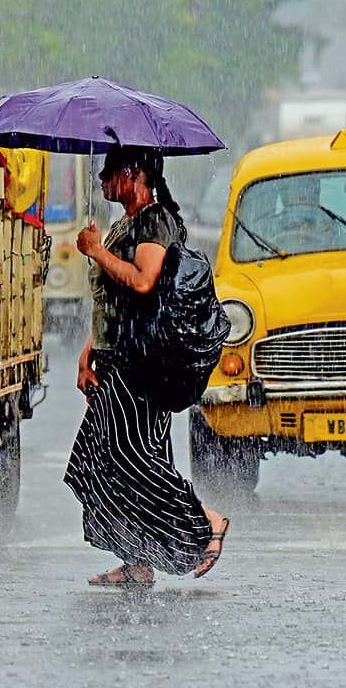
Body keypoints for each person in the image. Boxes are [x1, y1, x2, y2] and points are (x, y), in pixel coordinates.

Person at [64, 145, 229, 588]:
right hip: (112, 356)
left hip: (138, 364)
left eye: (109, 171)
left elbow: (142, 281)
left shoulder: (156, 221)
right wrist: (87, 353)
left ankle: (206, 521)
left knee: (132, 457)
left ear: (133, 173)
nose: (101, 179)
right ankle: (137, 559)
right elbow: (111, 303)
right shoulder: (125, 223)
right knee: (101, 459)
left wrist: (96, 251)